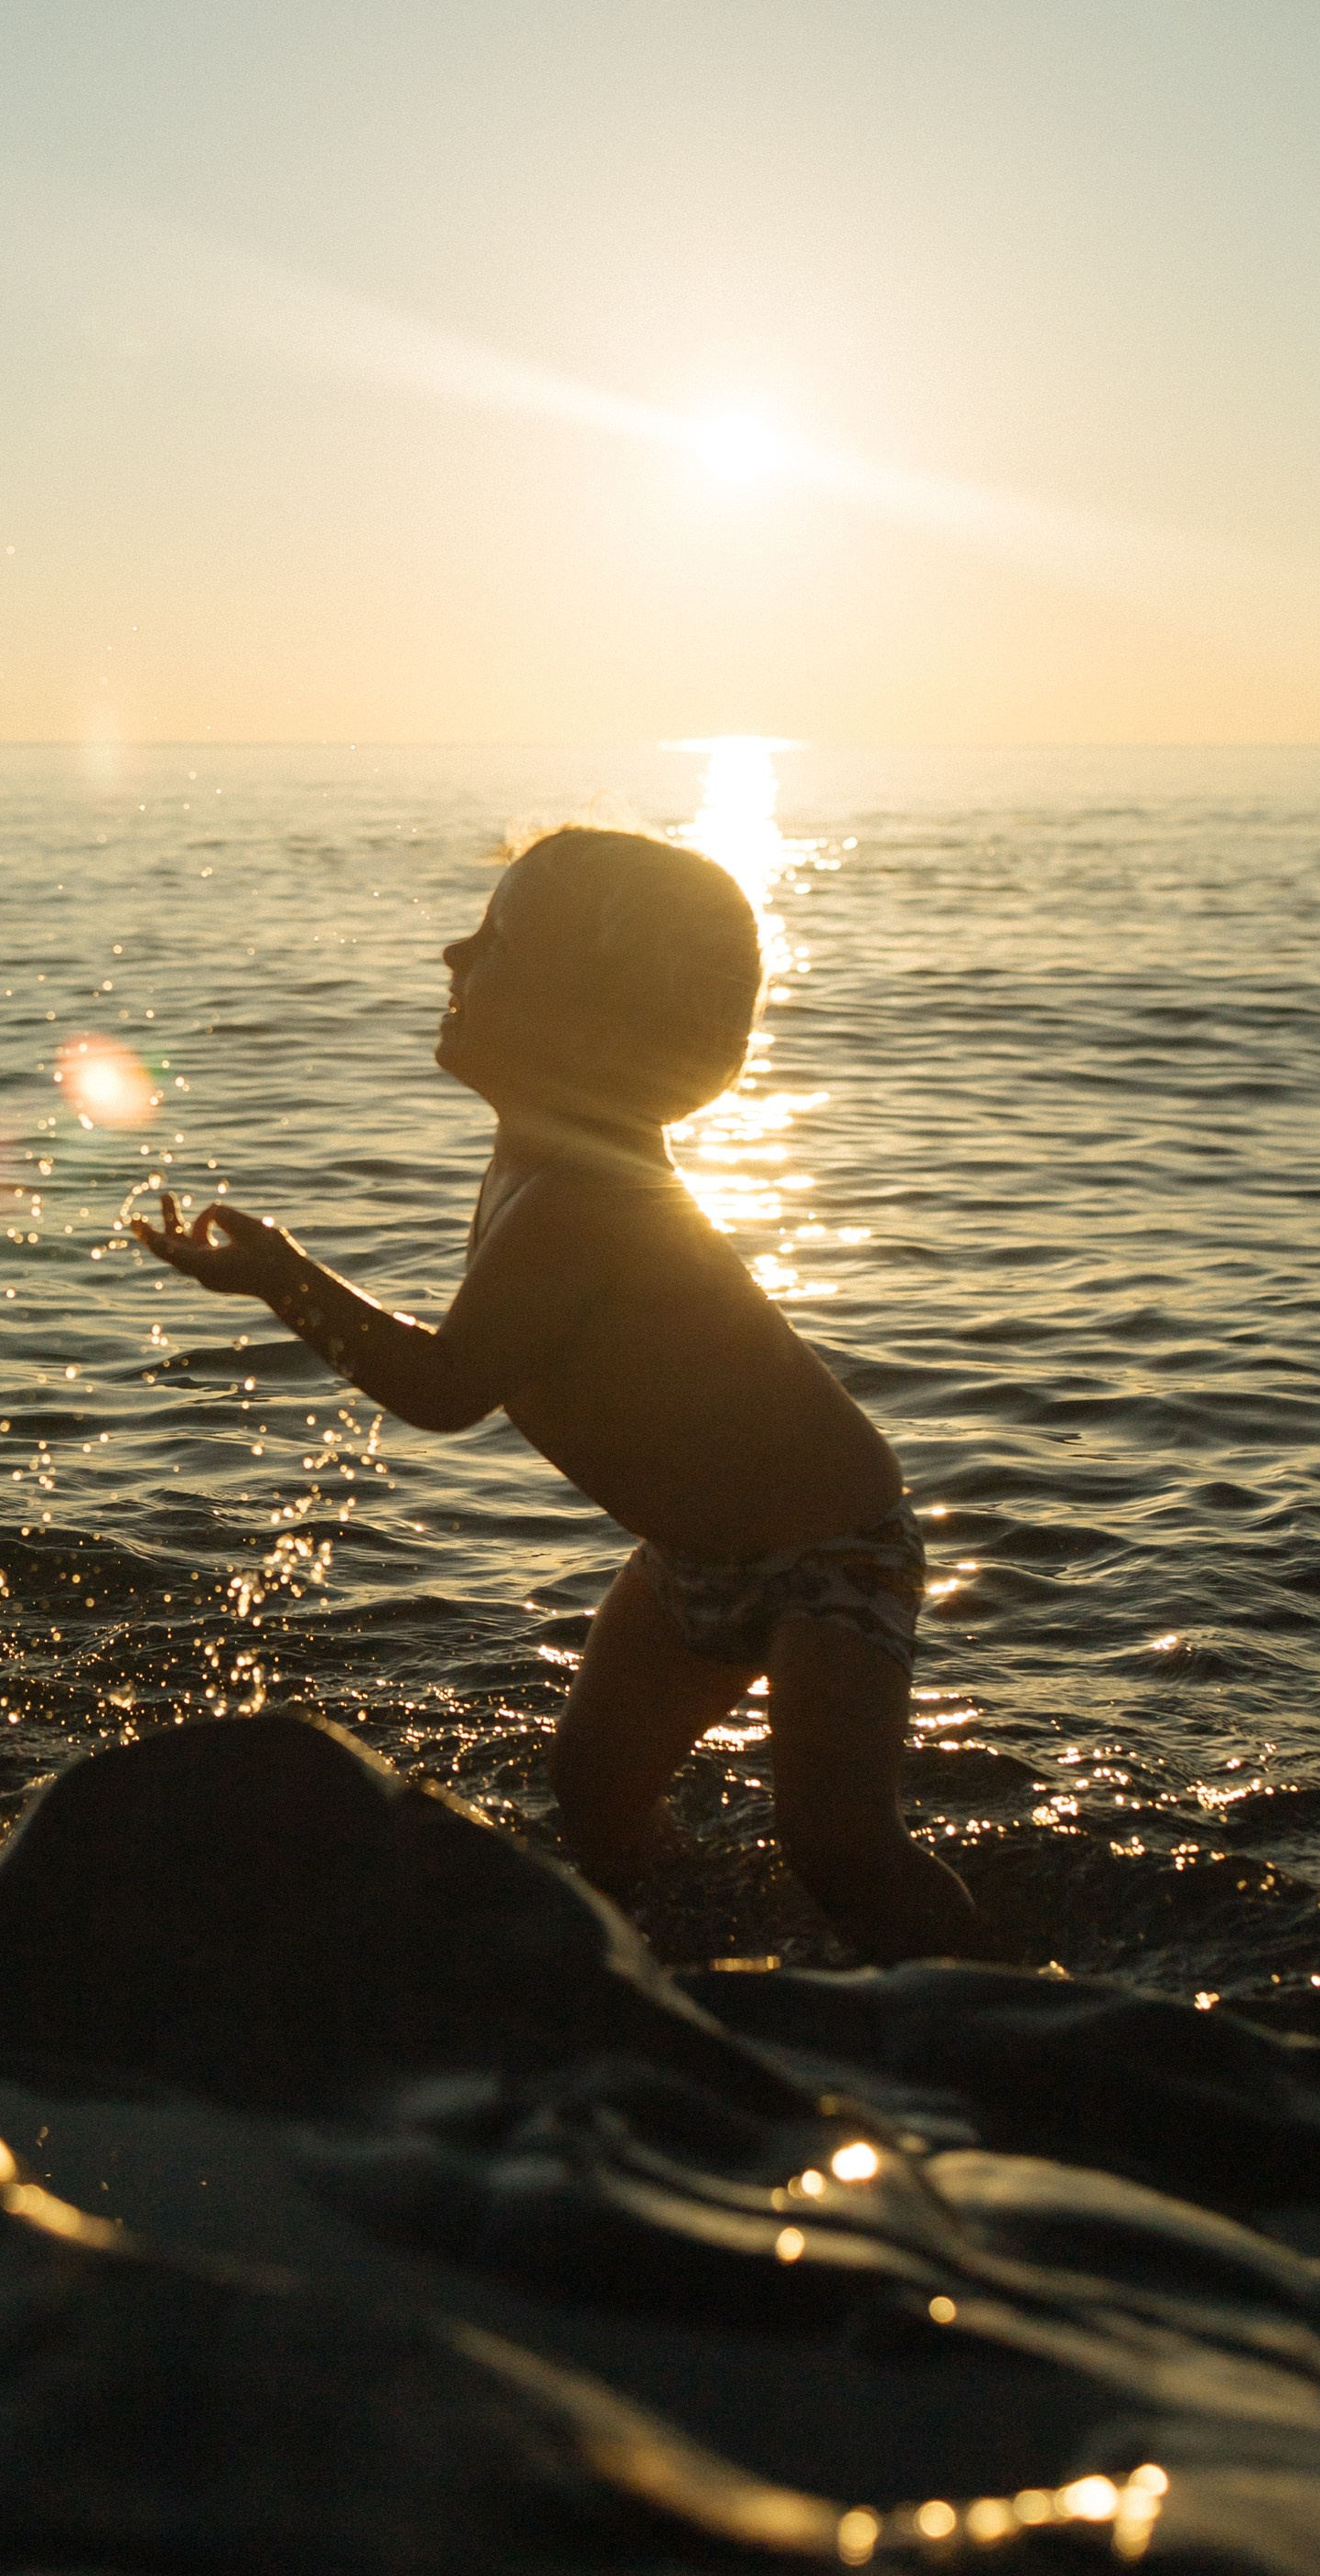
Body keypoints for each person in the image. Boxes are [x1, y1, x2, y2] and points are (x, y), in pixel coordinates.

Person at [134, 822, 978, 1962]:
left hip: (831, 1555)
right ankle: (678, 1958)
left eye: (493, 941)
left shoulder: (586, 1197)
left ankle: (1010, 2010)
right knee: (593, 1793)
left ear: (580, 1015)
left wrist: (286, 1276)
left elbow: (443, 1388)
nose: (450, 954)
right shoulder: (534, 1165)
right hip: (693, 1557)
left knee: (840, 1848)